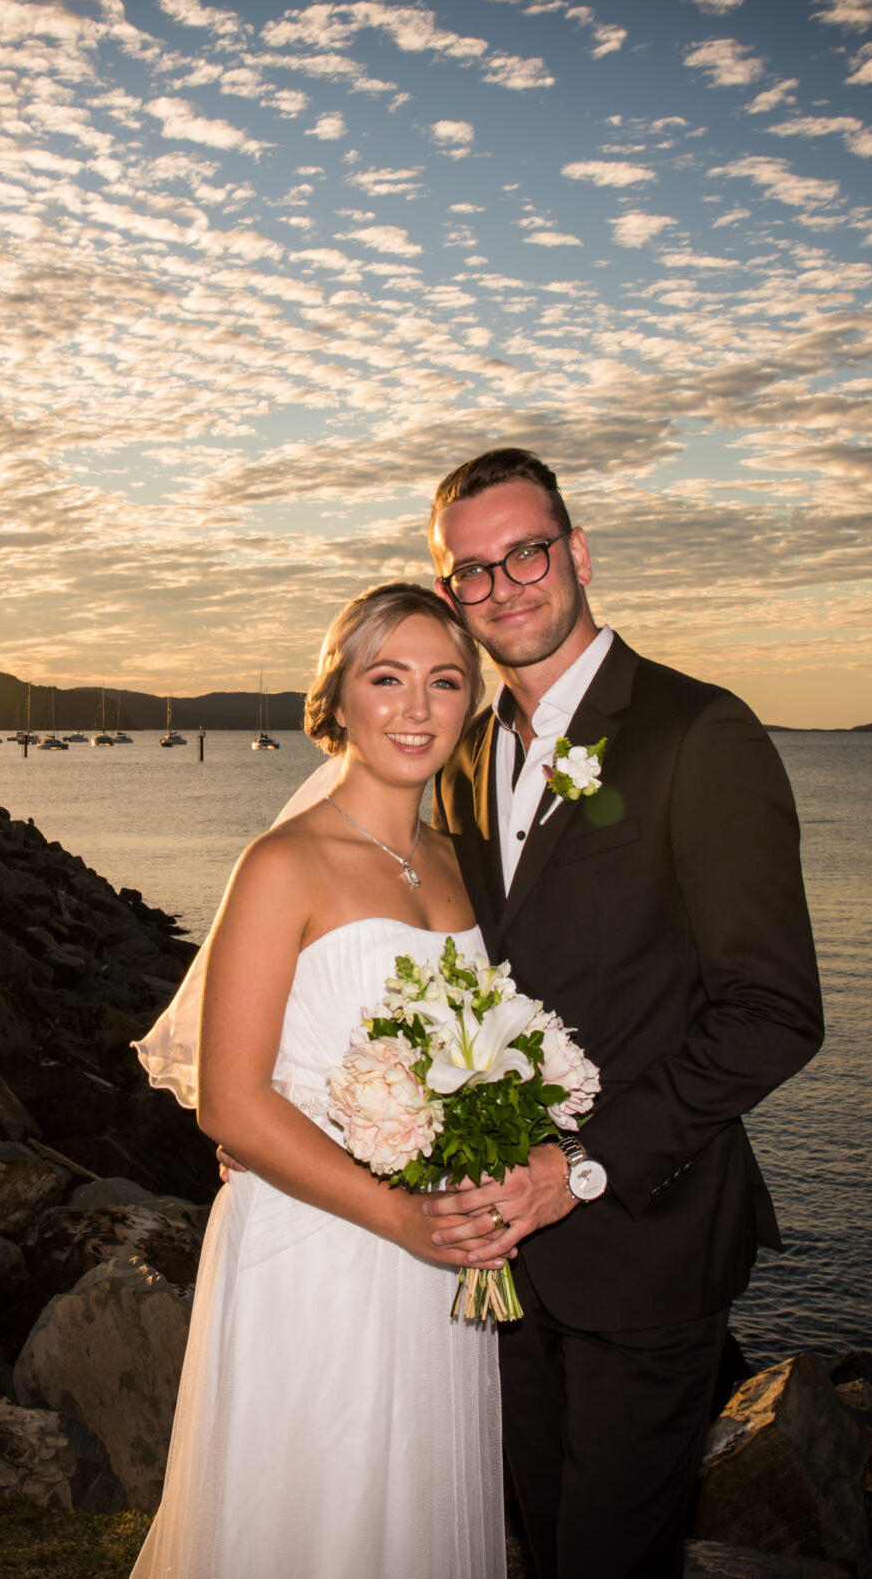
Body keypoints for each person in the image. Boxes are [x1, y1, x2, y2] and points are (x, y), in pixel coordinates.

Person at [422, 447, 825, 1579]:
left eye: (525, 553)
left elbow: (774, 1012)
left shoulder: (700, 733)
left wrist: (579, 1167)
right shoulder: (462, 754)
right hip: (498, 1262)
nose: (502, 587)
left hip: (645, 1243)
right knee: (541, 1541)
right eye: (472, 572)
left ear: (578, 553)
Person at [131, 582, 511, 1579]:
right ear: (337, 699)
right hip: (319, 1242)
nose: (417, 706)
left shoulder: (454, 861)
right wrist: (397, 1215)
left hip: (439, 1249)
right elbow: (231, 1100)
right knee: (310, 1512)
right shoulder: (282, 864)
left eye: (444, 680)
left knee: (412, 1514)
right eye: (386, 677)